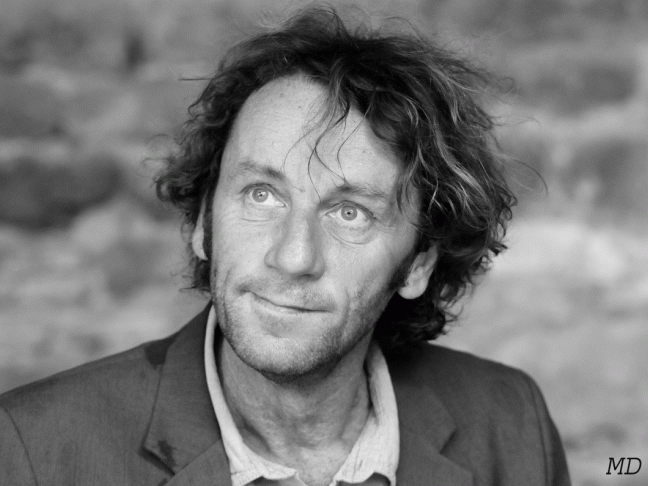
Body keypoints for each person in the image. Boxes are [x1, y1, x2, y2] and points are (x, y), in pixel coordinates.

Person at [0, 6, 570, 486]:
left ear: (419, 261)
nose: (294, 258)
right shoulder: (33, 450)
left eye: (350, 213)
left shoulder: (511, 422)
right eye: (262, 195)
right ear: (203, 220)